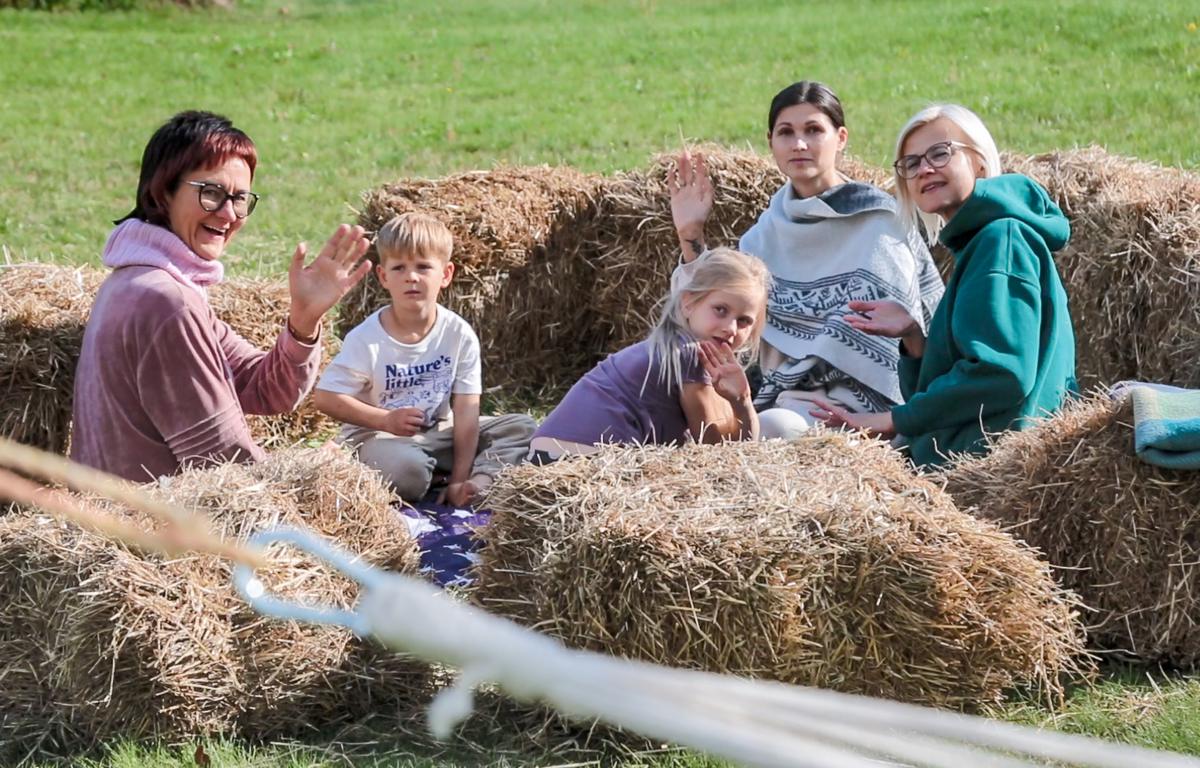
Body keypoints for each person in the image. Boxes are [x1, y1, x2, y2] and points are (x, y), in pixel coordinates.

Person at [71, 110, 370, 482]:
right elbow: (220, 463)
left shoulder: (147, 281)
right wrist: (308, 475)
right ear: (163, 191)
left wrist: (303, 322)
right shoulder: (164, 301)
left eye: (240, 199)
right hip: (150, 529)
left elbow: (263, 389)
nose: (229, 214)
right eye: (211, 193)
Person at [670, 81, 944, 440]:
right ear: (770, 141)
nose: (799, 144)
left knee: (774, 430)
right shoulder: (762, 238)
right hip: (780, 398)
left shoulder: (882, 223)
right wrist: (691, 234)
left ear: (841, 138)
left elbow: (922, 338)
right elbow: (707, 319)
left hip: (871, 407)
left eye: (814, 130)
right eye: (786, 132)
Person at [810, 104, 1077, 466]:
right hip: (974, 456)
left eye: (940, 153)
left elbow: (1001, 375)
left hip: (991, 465)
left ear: (980, 162)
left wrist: (891, 420)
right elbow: (947, 391)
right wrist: (914, 338)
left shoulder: (1001, 241)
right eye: (912, 163)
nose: (925, 169)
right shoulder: (981, 241)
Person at [313, 213, 535, 505]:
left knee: (522, 427)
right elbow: (326, 397)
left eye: (423, 266)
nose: (411, 276)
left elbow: (467, 410)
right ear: (383, 277)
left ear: (445, 274)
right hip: (378, 438)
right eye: (399, 267)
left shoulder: (458, 333)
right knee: (409, 471)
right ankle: (417, 475)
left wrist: (460, 477)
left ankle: (476, 482)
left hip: (438, 432)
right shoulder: (367, 338)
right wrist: (385, 419)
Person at [530, 247, 769, 461]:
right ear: (688, 303)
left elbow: (735, 446)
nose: (730, 327)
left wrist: (742, 402)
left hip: (545, 457)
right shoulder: (688, 354)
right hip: (579, 463)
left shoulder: (675, 346)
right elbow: (715, 452)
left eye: (744, 320)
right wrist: (743, 405)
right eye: (720, 310)